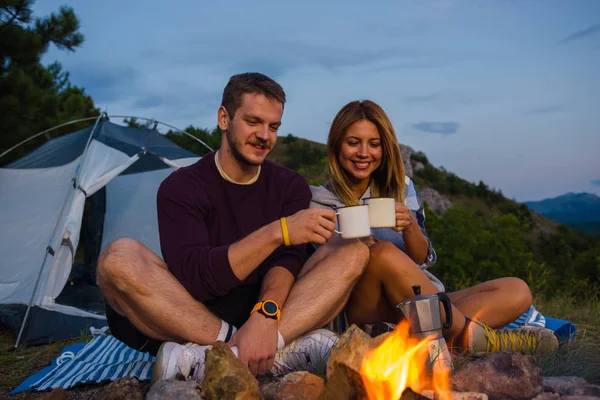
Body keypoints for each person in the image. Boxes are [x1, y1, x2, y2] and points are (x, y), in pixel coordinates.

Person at [96, 73, 371, 383]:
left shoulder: (289, 185)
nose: (265, 135)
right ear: (224, 118)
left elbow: (287, 261)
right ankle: (244, 349)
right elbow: (196, 279)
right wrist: (277, 231)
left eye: (273, 126)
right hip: (193, 314)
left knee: (354, 251)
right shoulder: (182, 187)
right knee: (117, 259)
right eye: (253, 122)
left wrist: (266, 313)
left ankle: (228, 357)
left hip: (271, 310)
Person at [310, 99, 559, 355]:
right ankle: (476, 339)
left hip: (419, 303)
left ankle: (425, 335)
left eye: (374, 144)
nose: (364, 153)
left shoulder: (400, 188)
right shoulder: (318, 202)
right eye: (353, 143)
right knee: (382, 253)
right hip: (364, 314)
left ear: (385, 148)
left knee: (516, 290)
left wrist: (409, 227)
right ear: (337, 146)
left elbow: (421, 258)